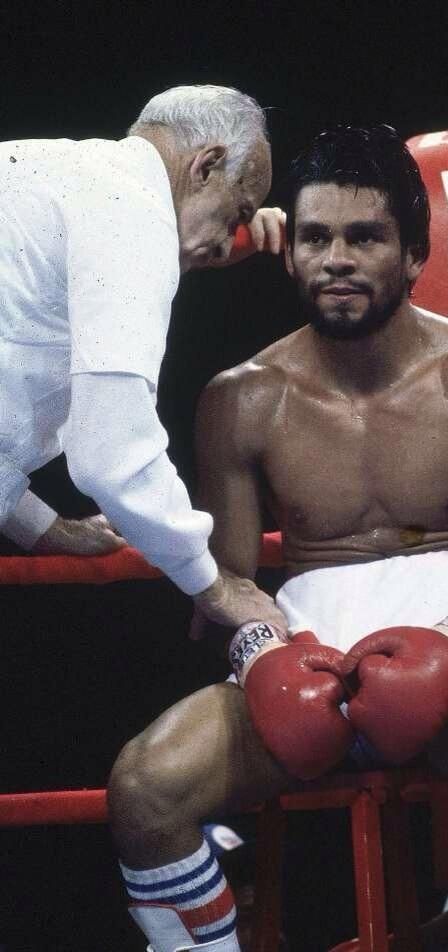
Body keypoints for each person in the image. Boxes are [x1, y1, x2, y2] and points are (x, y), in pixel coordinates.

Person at [107, 125, 448, 952]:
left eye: (364, 237)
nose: (335, 258)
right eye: (314, 237)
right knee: (144, 783)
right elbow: (230, 580)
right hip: (306, 664)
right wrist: (263, 659)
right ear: (290, 253)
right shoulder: (240, 400)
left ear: (414, 253)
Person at [0, 84, 286, 631]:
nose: (229, 245)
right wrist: (211, 583)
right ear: (206, 166)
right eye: (236, 214)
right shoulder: (135, 212)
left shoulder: (53, 171)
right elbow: (111, 452)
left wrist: (42, 527)